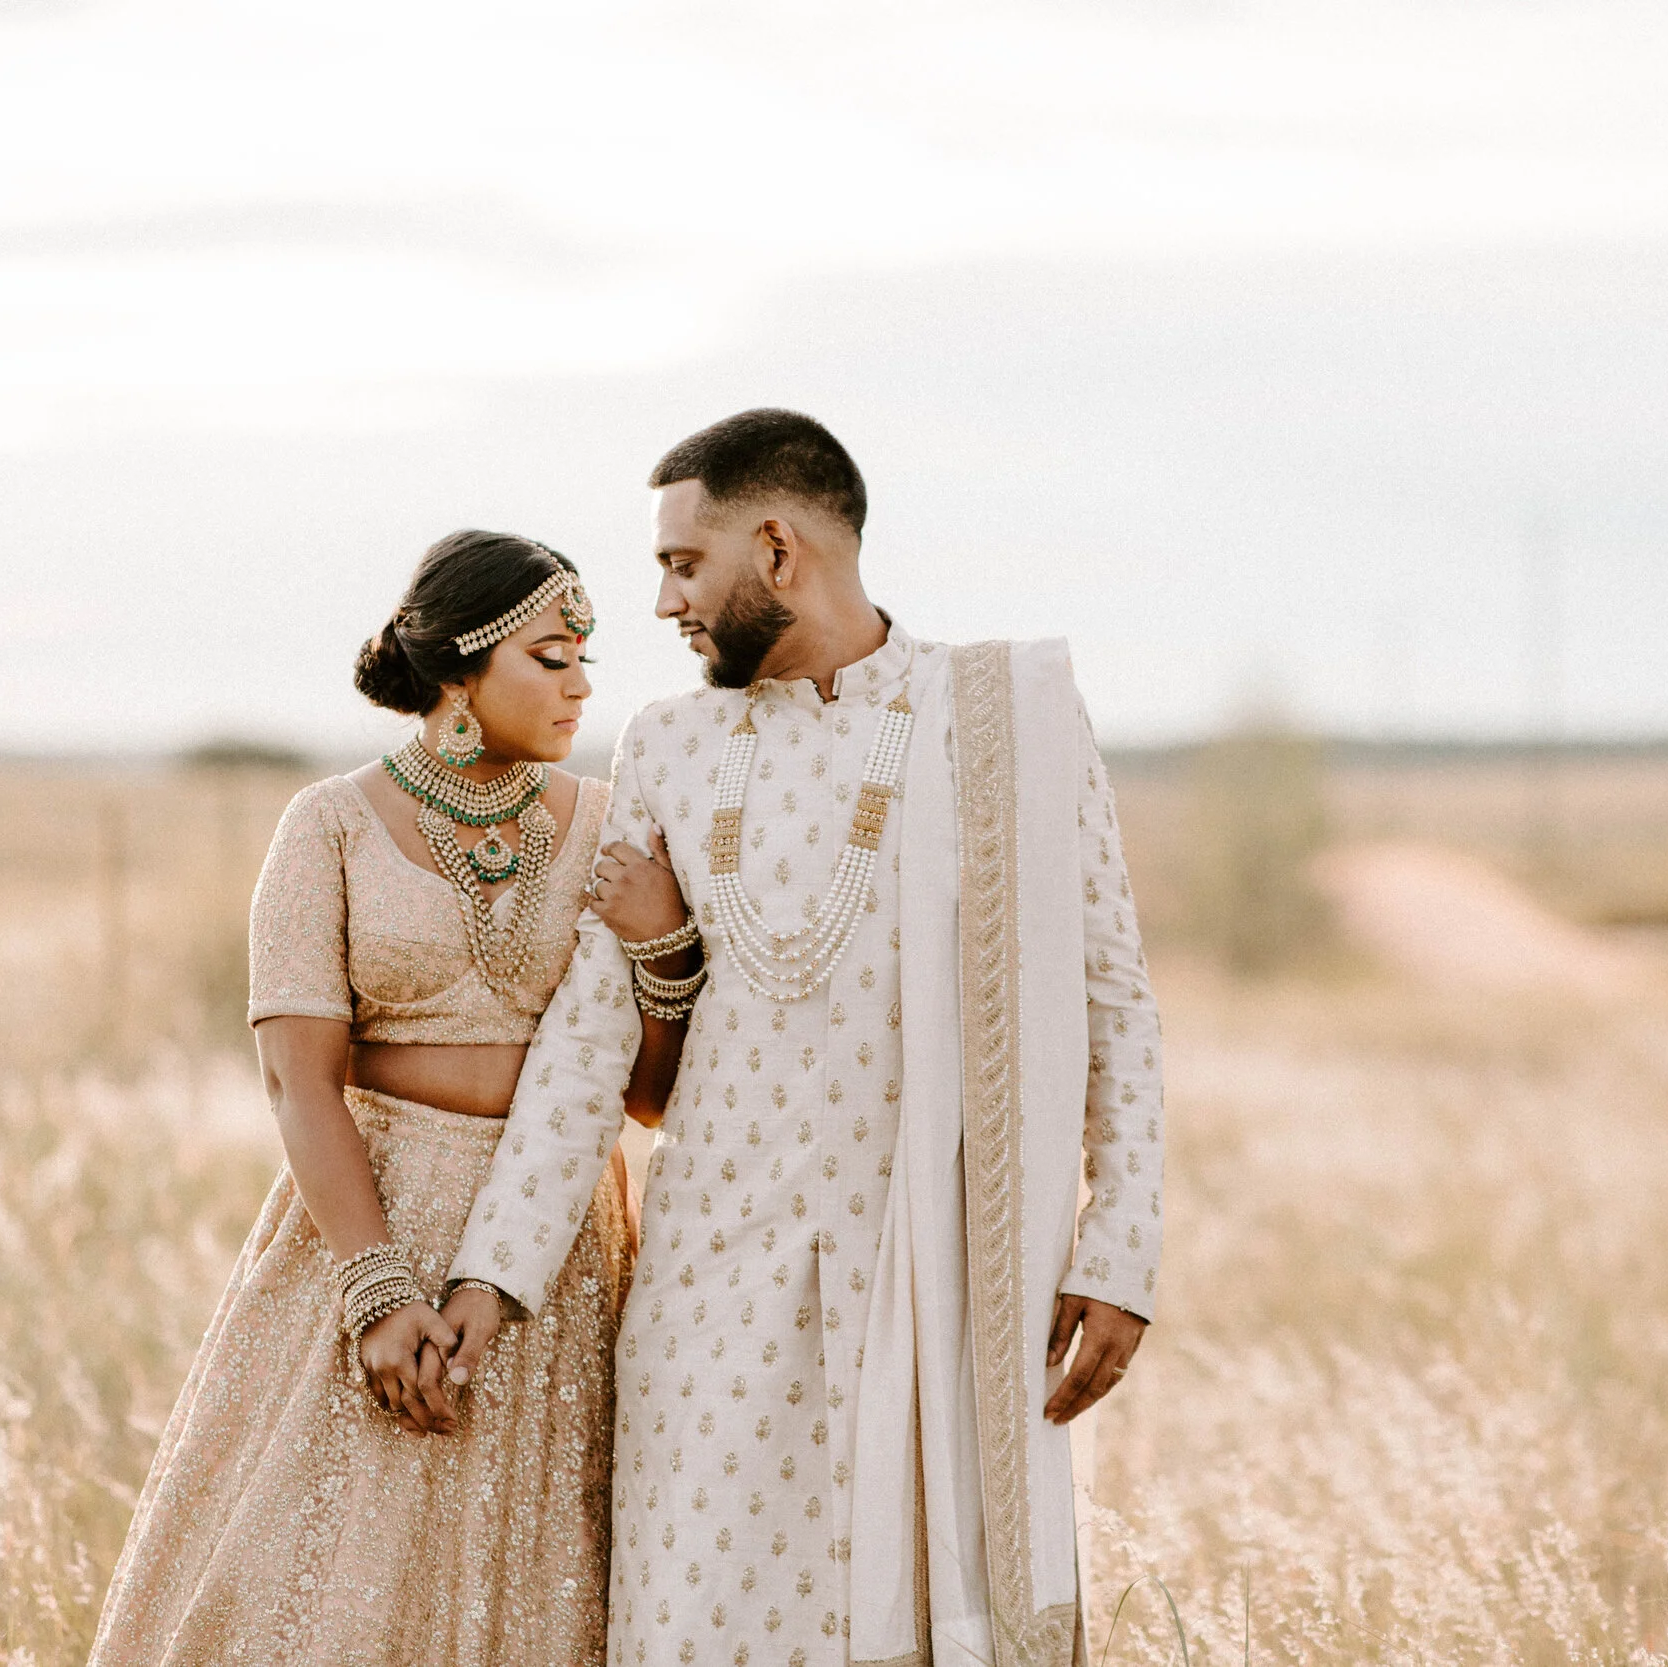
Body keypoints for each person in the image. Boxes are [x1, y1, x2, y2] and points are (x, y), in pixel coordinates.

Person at [436, 412, 1167, 1667]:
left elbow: (1111, 992)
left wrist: (1121, 1249)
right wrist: (489, 1275)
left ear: (776, 548)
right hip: (712, 1293)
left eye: (683, 563)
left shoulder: (999, 720)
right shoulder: (669, 744)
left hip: (936, 1274)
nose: (663, 602)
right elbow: (588, 1034)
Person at [88, 530, 706, 1667]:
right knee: (325, 1574)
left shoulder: (615, 825)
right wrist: (374, 1291)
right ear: (460, 670)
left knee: (540, 1579)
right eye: (551, 658)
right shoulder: (329, 824)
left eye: (585, 659)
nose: (580, 685)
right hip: (374, 1213)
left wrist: (664, 942)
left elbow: (653, 1099)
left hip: (557, 1243)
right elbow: (297, 1079)